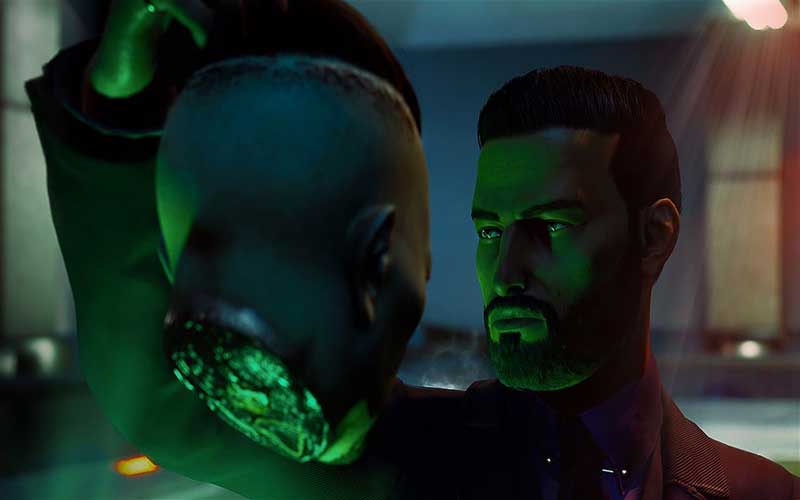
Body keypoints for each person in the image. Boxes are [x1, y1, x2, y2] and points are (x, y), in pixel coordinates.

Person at [28, 2, 799, 500]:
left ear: (654, 237)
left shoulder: (759, 494)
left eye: (550, 227)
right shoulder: (421, 457)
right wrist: (114, 113)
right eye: (489, 230)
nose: (507, 269)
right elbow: (163, 406)